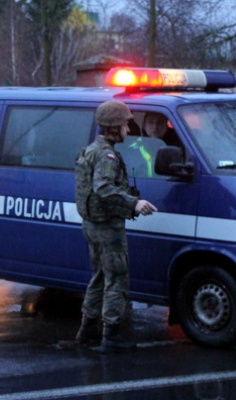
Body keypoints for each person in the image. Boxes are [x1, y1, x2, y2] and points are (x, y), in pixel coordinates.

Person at [74, 100, 158, 352]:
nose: (128, 128)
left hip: (92, 224)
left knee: (100, 275)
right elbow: (103, 187)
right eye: (124, 123)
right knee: (116, 277)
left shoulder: (92, 149)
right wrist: (134, 203)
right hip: (107, 227)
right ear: (113, 127)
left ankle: (87, 329)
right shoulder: (107, 155)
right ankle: (111, 335)